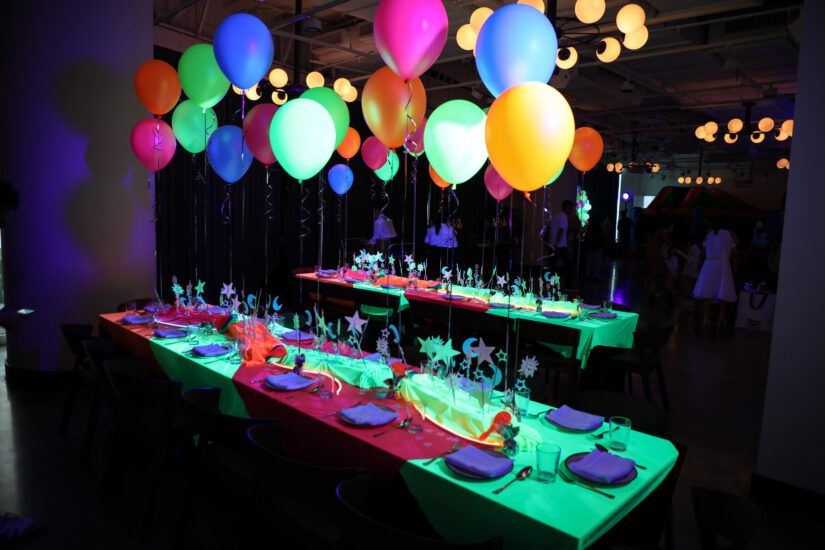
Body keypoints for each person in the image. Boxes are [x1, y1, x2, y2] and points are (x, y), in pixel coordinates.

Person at [694, 216, 738, 324]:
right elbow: (734, 253)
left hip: (709, 264)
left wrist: (700, 263)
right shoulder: (730, 234)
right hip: (723, 265)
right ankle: (721, 316)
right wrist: (735, 267)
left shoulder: (709, 234)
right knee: (724, 289)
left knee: (708, 288)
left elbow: (703, 251)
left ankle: (706, 315)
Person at [545, 200, 574, 288]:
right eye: (571, 208)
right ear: (566, 208)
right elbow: (561, 231)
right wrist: (556, 243)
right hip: (559, 246)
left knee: (552, 265)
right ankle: (568, 285)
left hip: (553, 245)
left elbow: (549, 228)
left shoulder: (557, 216)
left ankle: (550, 284)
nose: (572, 210)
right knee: (569, 265)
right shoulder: (564, 217)